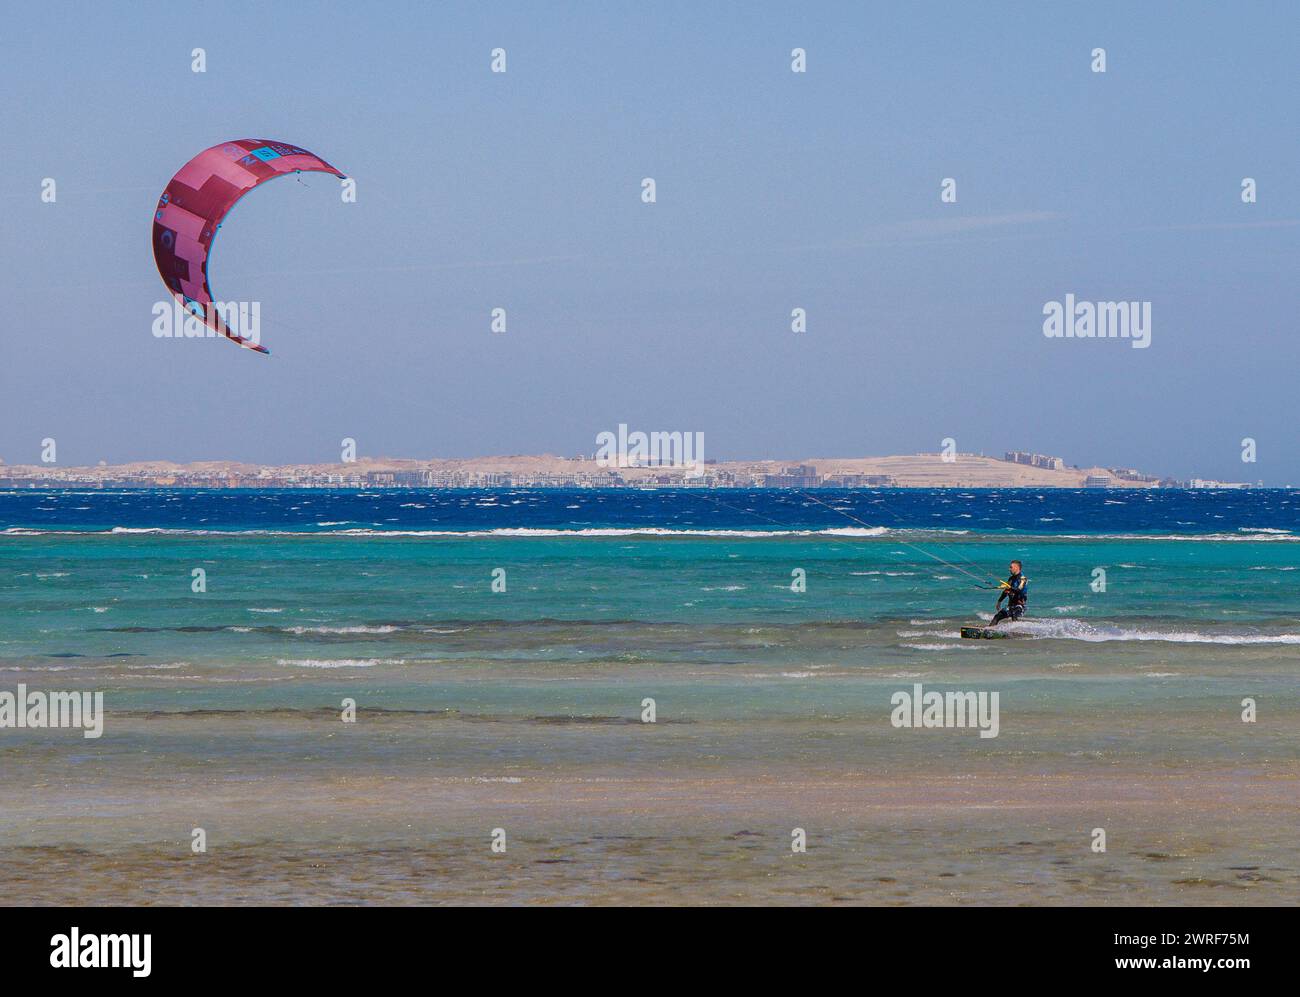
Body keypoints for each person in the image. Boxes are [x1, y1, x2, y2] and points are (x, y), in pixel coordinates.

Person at [990, 560, 1028, 625]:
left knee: (1014, 614)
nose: (1009, 569)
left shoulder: (1023, 579)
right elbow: (1006, 591)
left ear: (1017, 568)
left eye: (1011, 567)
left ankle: (1015, 632)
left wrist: (1009, 587)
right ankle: (989, 631)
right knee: (997, 616)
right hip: (1010, 606)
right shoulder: (1011, 579)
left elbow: (1019, 590)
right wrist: (999, 601)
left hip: (1020, 606)